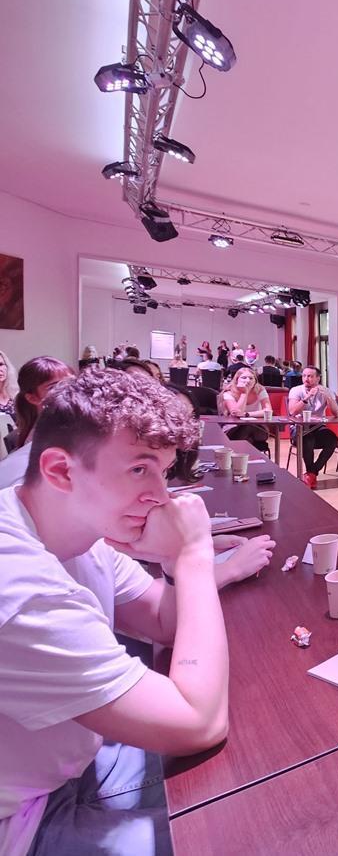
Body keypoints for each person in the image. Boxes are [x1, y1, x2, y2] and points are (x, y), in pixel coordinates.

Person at [0, 369, 233, 855]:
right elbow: (200, 723)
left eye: (163, 471)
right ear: (61, 471)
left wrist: (172, 563)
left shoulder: (74, 527)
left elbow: (162, 621)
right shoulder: (20, 586)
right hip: (24, 817)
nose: (162, 496)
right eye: (139, 469)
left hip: (75, 765)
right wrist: (194, 554)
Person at [0, 358, 75, 490]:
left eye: (71, 383)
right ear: (32, 398)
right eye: (54, 387)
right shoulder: (41, 440)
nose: (67, 390)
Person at [287, 365, 338, 489]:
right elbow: (292, 411)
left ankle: (312, 472)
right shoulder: (296, 390)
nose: (306, 379)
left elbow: (337, 413)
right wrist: (307, 397)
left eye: (310, 376)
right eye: (304, 376)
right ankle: (311, 474)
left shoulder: (326, 391)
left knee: (332, 440)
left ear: (318, 378)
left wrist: (328, 397)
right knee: (308, 439)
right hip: (299, 427)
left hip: (318, 427)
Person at [220, 366, 272, 454]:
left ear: (255, 381)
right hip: (233, 429)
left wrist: (247, 414)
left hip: (258, 428)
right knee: (246, 430)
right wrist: (244, 393)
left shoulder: (260, 389)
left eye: (251, 378)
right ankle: (248, 458)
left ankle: (241, 458)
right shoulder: (229, 392)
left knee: (249, 426)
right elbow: (236, 413)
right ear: (237, 380)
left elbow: (268, 411)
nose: (247, 380)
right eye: (244, 377)